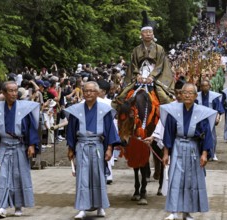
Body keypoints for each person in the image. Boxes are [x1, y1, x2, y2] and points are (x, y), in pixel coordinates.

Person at [160, 83, 217, 220]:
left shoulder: (201, 112)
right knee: (175, 180)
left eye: (190, 93)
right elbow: (168, 133)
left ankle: (187, 212)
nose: (187, 95)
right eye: (184, 92)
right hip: (178, 146)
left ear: (195, 96)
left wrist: (204, 154)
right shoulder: (173, 111)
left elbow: (207, 134)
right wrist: (166, 153)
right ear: (180, 94)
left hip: (193, 148)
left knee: (190, 181)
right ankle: (173, 211)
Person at [65, 81, 120, 219]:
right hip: (82, 145)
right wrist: (71, 148)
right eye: (86, 91)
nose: (88, 93)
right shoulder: (76, 109)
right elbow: (71, 129)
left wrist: (109, 148)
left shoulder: (105, 109)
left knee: (98, 176)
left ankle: (100, 206)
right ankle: (82, 208)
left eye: (92, 91)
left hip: (97, 146)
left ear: (97, 93)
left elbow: (109, 130)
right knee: (82, 177)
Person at [0, 81, 40, 218]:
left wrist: (32, 145)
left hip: (20, 146)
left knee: (19, 175)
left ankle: (18, 205)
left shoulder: (25, 108)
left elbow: (32, 128)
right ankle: (2, 206)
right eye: (10, 91)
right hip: (4, 145)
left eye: (16, 90)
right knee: (2, 176)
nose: (14, 93)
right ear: (3, 93)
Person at [111, 11, 174, 110]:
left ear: (153, 35)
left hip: (156, 76)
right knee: (123, 96)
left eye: (150, 32)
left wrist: (152, 77)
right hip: (140, 75)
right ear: (141, 34)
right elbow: (134, 64)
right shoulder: (136, 49)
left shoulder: (159, 48)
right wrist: (138, 75)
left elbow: (160, 65)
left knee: (164, 98)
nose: (148, 34)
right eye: (146, 32)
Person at [196, 80, 225, 160]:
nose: (204, 87)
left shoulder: (214, 96)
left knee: (212, 137)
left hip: (210, 119)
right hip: (199, 119)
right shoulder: (196, 96)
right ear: (200, 87)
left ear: (209, 86)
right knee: (199, 136)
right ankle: (201, 153)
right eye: (202, 86)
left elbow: (218, 109)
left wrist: (217, 117)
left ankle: (213, 153)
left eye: (206, 85)